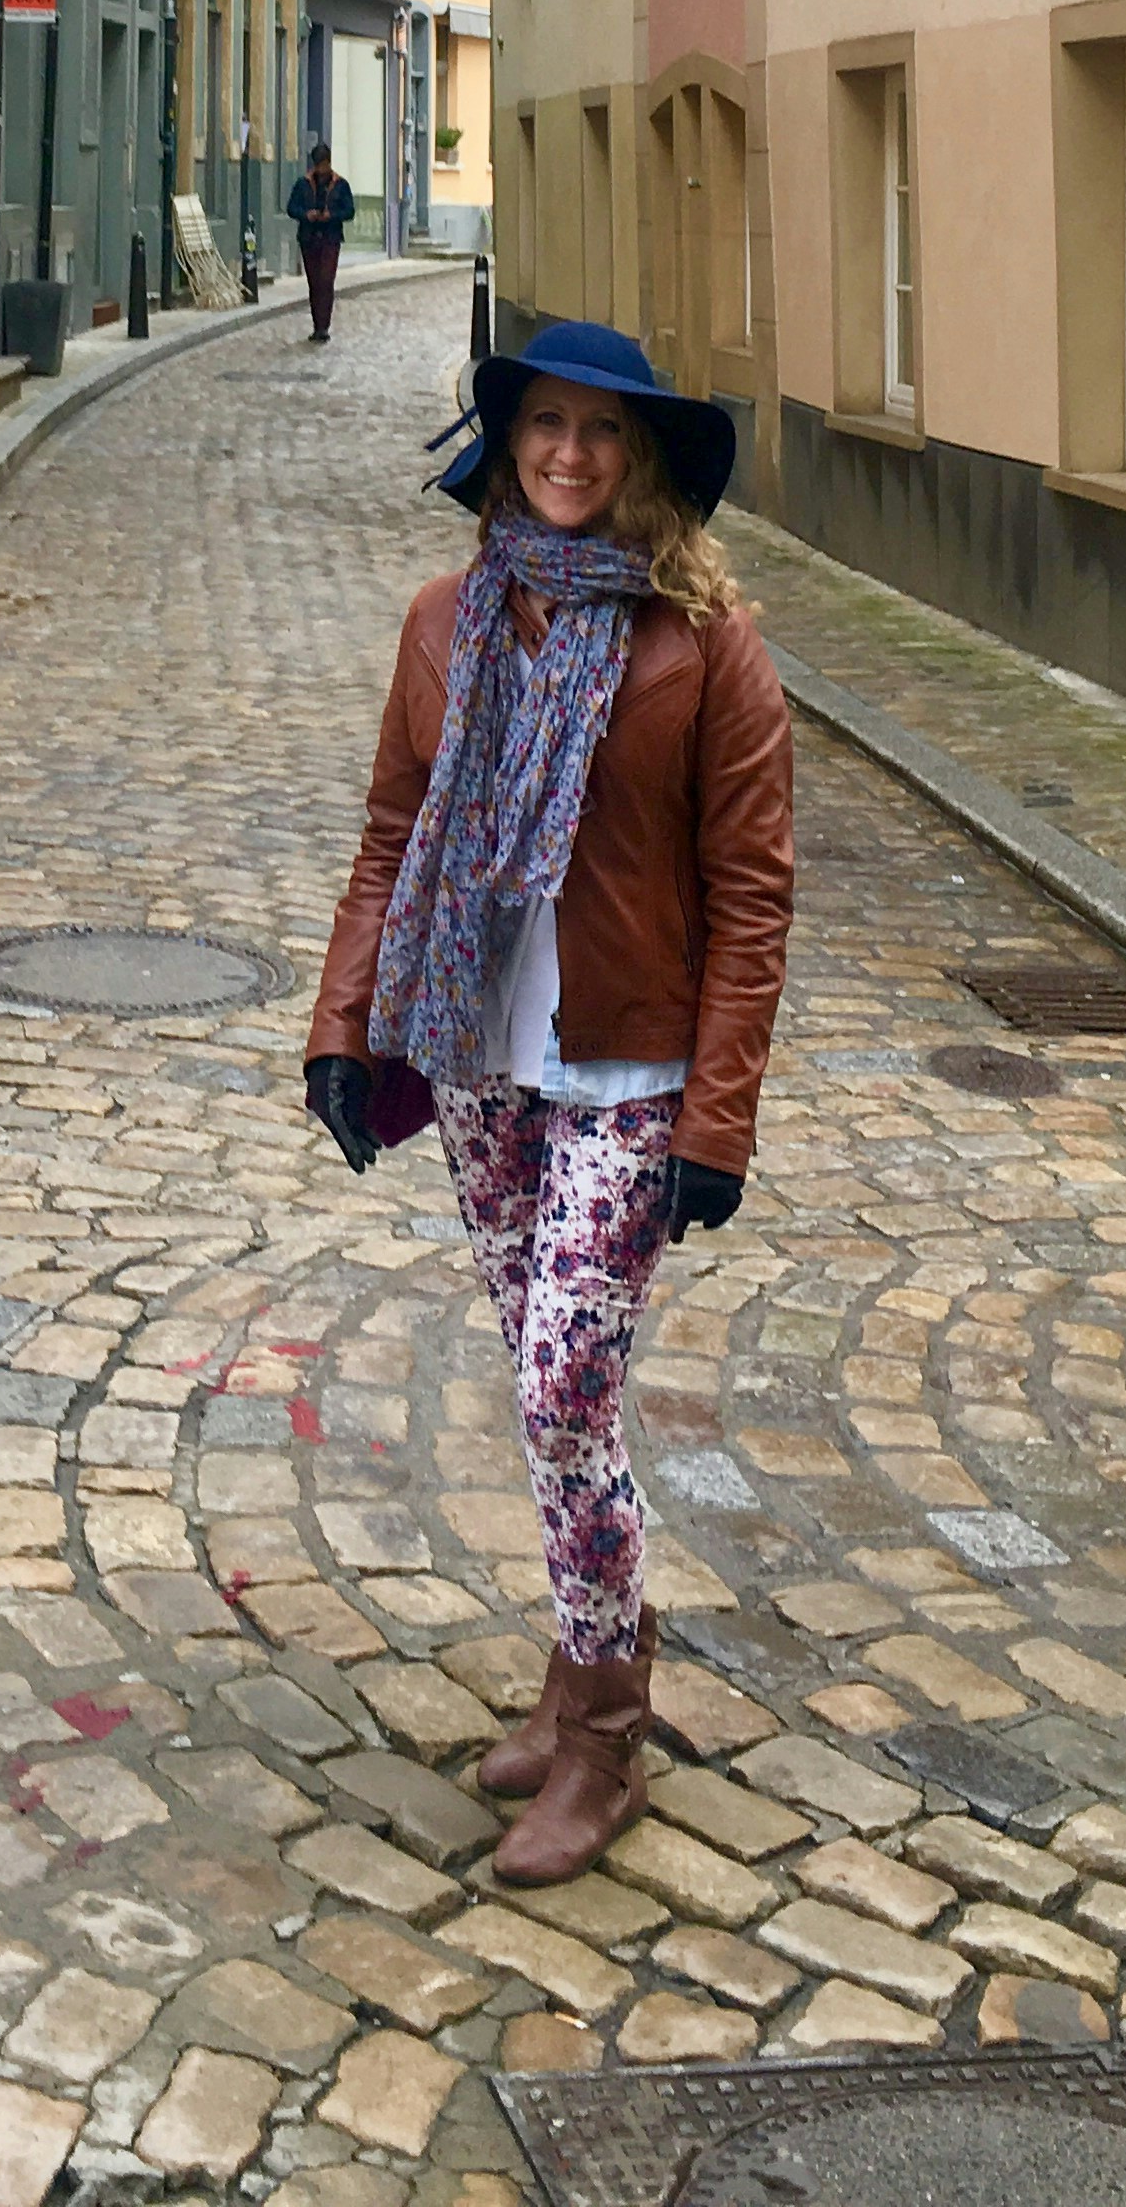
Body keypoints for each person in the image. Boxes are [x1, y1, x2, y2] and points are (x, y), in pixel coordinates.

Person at [302, 321, 793, 1885]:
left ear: (638, 458)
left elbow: (752, 891)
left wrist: (719, 1115)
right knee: (541, 1383)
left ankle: (604, 1745)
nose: (569, 454)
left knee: (566, 1390)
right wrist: (341, 1021)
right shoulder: (447, 622)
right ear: (508, 443)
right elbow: (394, 828)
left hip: (632, 1067)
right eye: (544, 427)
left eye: (600, 432)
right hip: (477, 1056)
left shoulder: (706, 643)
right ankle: (584, 1669)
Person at [287, 141, 353, 343]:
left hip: (331, 238)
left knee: (326, 281)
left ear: (329, 163)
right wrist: (307, 214)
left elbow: (349, 211)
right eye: (318, 164)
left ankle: (324, 326)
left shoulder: (341, 185)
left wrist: (331, 215)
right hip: (308, 238)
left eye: (324, 164)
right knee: (314, 282)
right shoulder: (302, 184)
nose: (322, 169)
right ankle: (317, 326)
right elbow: (291, 208)